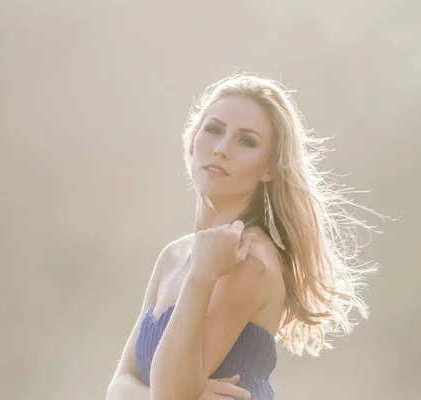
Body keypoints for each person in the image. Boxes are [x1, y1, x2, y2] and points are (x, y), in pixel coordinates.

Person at [105, 73, 380, 400]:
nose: (221, 149)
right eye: (213, 130)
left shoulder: (251, 261)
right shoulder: (173, 256)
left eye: (246, 141)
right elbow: (118, 385)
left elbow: (168, 396)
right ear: (193, 139)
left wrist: (202, 276)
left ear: (269, 169)